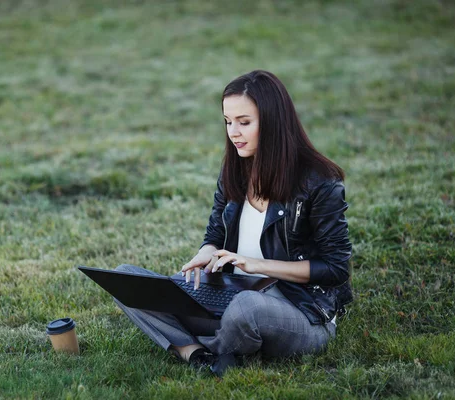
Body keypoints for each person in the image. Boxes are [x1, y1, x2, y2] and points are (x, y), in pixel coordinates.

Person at [114, 70, 353, 376]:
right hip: (232, 292)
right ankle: (197, 354)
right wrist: (206, 251)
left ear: (272, 121)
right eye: (228, 122)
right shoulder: (236, 168)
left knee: (247, 309)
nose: (233, 132)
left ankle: (207, 342)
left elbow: (335, 269)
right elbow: (215, 231)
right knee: (130, 282)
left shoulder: (320, 182)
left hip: (297, 310)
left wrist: (257, 265)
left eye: (244, 122)